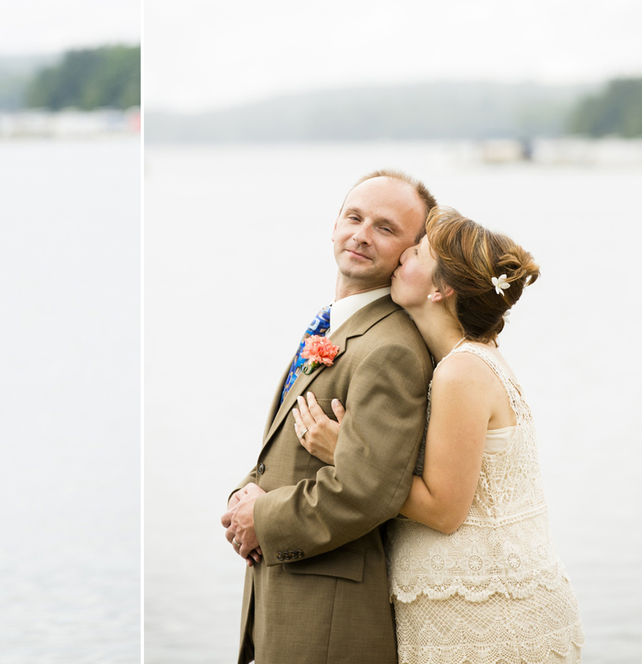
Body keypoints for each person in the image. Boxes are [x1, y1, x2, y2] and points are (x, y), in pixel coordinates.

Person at [294, 207, 584, 663]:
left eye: (413, 253)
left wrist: (345, 451)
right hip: (469, 603)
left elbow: (445, 510)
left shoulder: (461, 372)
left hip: (487, 614)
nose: (399, 259)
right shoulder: (468, 359)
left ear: (439, 289)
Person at [220, 170, 437, 663]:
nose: (361, 234)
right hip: (283, 598)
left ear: (410, 253)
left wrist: (264, 520)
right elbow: (284, 440)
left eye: (385, 227)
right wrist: (243, 494)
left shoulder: (391, 348)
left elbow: (370, 490)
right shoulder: (335, 325)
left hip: (328, 617)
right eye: (354, 217)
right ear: (334, 225)